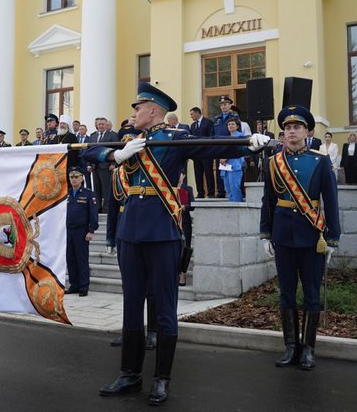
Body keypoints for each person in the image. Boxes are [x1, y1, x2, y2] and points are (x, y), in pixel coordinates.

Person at [87, 82, 269, 405]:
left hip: (162, 233)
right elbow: (88, 151)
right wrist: (115, 153)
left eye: (137, 109)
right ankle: (129, 374)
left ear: (153, 111)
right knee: (131, 306)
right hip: (131, 232)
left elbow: (214, 147)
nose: (132, 114)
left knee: (166, 307)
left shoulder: (177, 139)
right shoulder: (129, 141)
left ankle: (161, 378)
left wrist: (247, 145)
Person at [260, 105, 340, 371]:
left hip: (311, 236)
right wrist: (265, 233)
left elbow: (331, 201)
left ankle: (308, 348)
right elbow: (268, 201)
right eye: (287, 129)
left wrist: (333, 238)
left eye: (297, 128)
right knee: (286, 293)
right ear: (282, 134)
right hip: (283, 235)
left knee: (312, 294)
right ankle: (291, 346)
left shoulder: (320, 161)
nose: (291, 132)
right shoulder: (273, 162)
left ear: (307, 131)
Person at [64, 167, 99, 297]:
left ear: (82, 177)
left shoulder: (88, 194)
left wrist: (91, 230)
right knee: (70, 258)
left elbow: (93, 214)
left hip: (82, 231)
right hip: (69, 231)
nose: (73, 179)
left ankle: (84, 286)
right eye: (71, 177)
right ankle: (74, 284)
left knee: (81, 258)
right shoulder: (66, 194)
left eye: (76, 176)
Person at [87, 117, 119, 213]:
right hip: (95, 166)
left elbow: (116, 149)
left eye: (102, 124)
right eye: (99, 124)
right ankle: (97, 208)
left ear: (106, 125)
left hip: (106, 166)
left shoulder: (112, 135)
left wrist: (113, 163)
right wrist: (89, 164)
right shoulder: (93, 136)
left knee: (106, 189)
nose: (100, 126)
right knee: (96, 189)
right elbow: (89, 150)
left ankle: (106, 209)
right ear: (97, 125)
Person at [189, 106, 215, 198]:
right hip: (196, 154)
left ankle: (211, 193)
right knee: (198, 174)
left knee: (208, 173)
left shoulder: (208, 122)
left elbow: (211, 136)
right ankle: (200, 193)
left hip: (206, 153)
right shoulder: (192, 125)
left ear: (197, 113)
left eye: (192, 114)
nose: (191, 116)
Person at [212, 94, 234, 198]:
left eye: (225, 104)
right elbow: (213, 134)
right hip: (218, 148)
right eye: (221, 105)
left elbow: (235, 134)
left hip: (230, 147)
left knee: (230, 171)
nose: (223, 106)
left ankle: (232, 193)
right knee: (219, 171)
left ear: (230, 105)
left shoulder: (234, 118)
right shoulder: (217, 119)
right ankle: (220, 192)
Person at [219, 117, 245, 202]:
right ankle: (232, 207)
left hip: (235, 166)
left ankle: (238, 209)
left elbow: (236, 149)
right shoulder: (228, 137)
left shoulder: (240, 136)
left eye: (233, 124)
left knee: (235, 188)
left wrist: (225, 157)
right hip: (226, 167)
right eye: (229, 124)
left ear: (237, 126)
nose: (230, 126)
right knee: (228, 189)